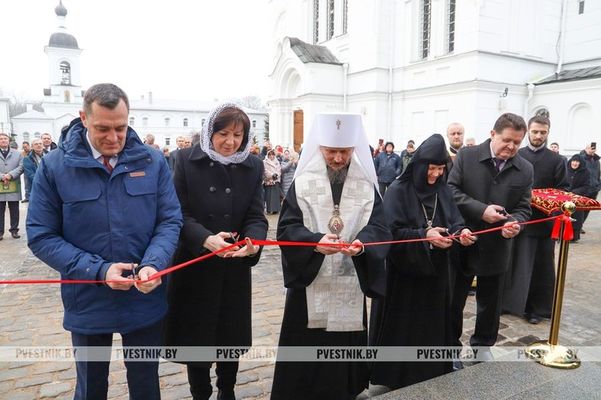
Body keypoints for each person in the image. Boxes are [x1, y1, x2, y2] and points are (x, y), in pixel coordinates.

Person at [26, 83, 183, 400]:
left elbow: (169, 220)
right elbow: (41, 234)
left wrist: (154, 263)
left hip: (144, 296)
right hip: (87, 297)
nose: (113, 138)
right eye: (103, 129)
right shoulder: (55, 166)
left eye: (120, 128)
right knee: (91, 386)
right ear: (83, 117)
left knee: (145, 385)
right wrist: (98, 271)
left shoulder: (152, 162)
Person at [271, 113, 390, 400]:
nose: (337, 158)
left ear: (354, 149)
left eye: (344, 152)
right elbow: (287, 229)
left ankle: (344, 391)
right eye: (331, 151)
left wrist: (363, 244)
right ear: (320, 148)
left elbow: (379, 227)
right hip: (311, 282)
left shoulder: (366, 184)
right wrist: (313, 243)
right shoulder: (303, 182)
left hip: (349, 278)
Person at [163, 102, 268, 400]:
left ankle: (227, 390)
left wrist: (253, 241)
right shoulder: (183, 160)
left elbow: (256, 215)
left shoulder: (253, 165)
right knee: (197, 336)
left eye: (238, 135)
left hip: (232, 266)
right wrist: (206, 239)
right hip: (196, 262)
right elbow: (177, 213)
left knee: (229, 335)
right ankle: (200, 392)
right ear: (209, 132)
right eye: (223, 133)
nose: (230, 141)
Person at [370, 134, 476, 391]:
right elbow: (390, 234)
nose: (436, 175)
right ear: (419, 166)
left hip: (437, 273)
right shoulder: (397, 190)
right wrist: (423, 236)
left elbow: (454, 219)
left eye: (441, 169)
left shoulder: (442, 190)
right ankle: (398, 374)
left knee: (432, 323)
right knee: (405, 325)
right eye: (432, 169)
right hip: (404, 275)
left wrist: (461, 232)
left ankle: (431, 368)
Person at [447, 113, 533, 359]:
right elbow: (451, 191)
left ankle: (483, 346)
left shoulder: (525, 168)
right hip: (464, 240)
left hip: (497, 246)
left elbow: (524, 208)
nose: (512, 147)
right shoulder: (467, 156)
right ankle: (450, 347)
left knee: (491, 303)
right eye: (507, 140)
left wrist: (515, 223)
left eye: (517, 142)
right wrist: (481, 210)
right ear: (492, 134)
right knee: (454, 301)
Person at [502, 113, 568, 324]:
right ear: (528, 131)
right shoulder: (515, 154)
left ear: (548, 133)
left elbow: (563, 191)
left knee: (540, 268)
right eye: (535, 131)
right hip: (517, 219)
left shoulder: (557, 160)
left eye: (543, 132)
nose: (539, 136)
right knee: (513, 264)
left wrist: (547, 204)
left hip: (543, 223)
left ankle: (536, 309)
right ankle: (508, 303)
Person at [0, 133, 24, 240]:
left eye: (5, 138)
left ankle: (14, 230)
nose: (3, 140)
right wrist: (2, 176)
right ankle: (0, 232)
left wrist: (10, 175)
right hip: (0, 184)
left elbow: (21, 166)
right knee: (0, 210)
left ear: (9, 140)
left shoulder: (17, 154)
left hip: (13, 183)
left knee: (14, 209)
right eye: (1, 139)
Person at [566, 154, 591, 242]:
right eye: (573, 161)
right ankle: (561, 234)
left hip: (577, 199)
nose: (575, 163)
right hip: (565, 198)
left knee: (576, 217)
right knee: (564, 217)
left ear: (580, 163)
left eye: (577, 162)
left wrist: (574, 192)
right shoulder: (565, 169)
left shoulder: (585, 172)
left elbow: (586, 186)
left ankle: (573, 236)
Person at [579, 143, 600, 232]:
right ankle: (578, 226)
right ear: (586, 149)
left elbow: (598, 174)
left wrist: (598, 185)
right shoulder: (582, 158)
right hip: (584, 188)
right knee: (581, 208)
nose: (592, 149)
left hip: (594, 189)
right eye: (589, 148)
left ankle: (580, 225)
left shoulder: (596, 161)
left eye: (593, 148)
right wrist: (586, 153)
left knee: (588, 208)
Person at [263, 149, 282, 214]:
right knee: (269, 196)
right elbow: (265, 171)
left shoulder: (277, 161)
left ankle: (276, 209)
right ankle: (269, 209)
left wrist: (276, 175)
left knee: (275, 196)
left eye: (273, 154)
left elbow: (279, 170)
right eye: (270, 155)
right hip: (269, 181)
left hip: (275, 180)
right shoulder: (265, 161)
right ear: (268, 155)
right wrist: (272, 175)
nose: (271, 156)